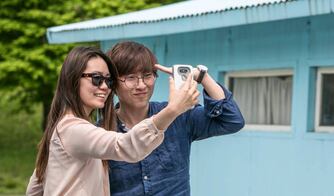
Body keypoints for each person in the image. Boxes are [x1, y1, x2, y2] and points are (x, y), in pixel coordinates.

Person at [26, 46, 199, 196]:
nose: (104, 86)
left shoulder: (66, 127)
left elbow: (35, 187)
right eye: (96, 78)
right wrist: (172, 110)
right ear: (72, 79)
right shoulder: (73, 129)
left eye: (108, 80)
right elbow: (126, 146)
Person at [107, 41, 245, 195]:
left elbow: (232, 120)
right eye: (130, 77)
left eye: (147, 76)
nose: (141, 85)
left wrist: (200, 76)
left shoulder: (180, 115)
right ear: (112, 83)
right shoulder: (102, 132)